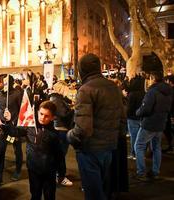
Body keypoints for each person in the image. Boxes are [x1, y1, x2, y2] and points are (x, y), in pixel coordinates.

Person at [67, 53, 125, 200]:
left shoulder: (86, 90)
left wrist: (70, 136)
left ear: (82, 70)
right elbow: (122, 119)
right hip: (109, 147)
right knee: (104, 188)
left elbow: (83, 128)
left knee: (93, 193)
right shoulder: (113, 87)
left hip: (90, 149)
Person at [3, 101, 63, 200]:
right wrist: (9, 121)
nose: (42, 118)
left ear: (52, 117)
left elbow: (59, 154)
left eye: (47, 116)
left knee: (49, 196)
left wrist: (61, 172)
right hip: (33, 169)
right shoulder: (30, 126)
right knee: (35, 194)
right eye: (41, 114)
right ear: (38, 112)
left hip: (49, 171)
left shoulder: (54, 133)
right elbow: (15, 132)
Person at [135, 71, 172, 181]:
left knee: (139, 146)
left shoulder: (152, 92)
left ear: (152, 78)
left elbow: (145, 109)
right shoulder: (169, 92)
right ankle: (155, 171)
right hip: (161, 123)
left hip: (149, 123)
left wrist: (138, 112)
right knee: (156, 147)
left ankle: (141, 172)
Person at [0, 75, 23, 188]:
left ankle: (18, 171)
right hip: (2, 129)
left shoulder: (17, 94)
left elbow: (22, 111)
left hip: (13, 129)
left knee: (17, 149)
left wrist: (13, 121)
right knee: (0, 152)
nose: (3, 84)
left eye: (6, 82)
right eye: (2, 82)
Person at [49, 81, 73, 187]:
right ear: (62, 89)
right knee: (60, 155)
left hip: (59, 128)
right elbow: (63, 114)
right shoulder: (57, 99)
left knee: (58, 155)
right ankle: (60, 176)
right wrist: (73, 110)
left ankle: (57, 175)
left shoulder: (55, 98)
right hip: (61, 129)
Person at [127, 76, 145, 159]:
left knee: (134, 137)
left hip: (132, 118)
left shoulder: (132, 94)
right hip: (141, 118)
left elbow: (129, 108)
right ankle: (140, 153)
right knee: (141, 138)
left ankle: (134, 153)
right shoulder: (144, 93)